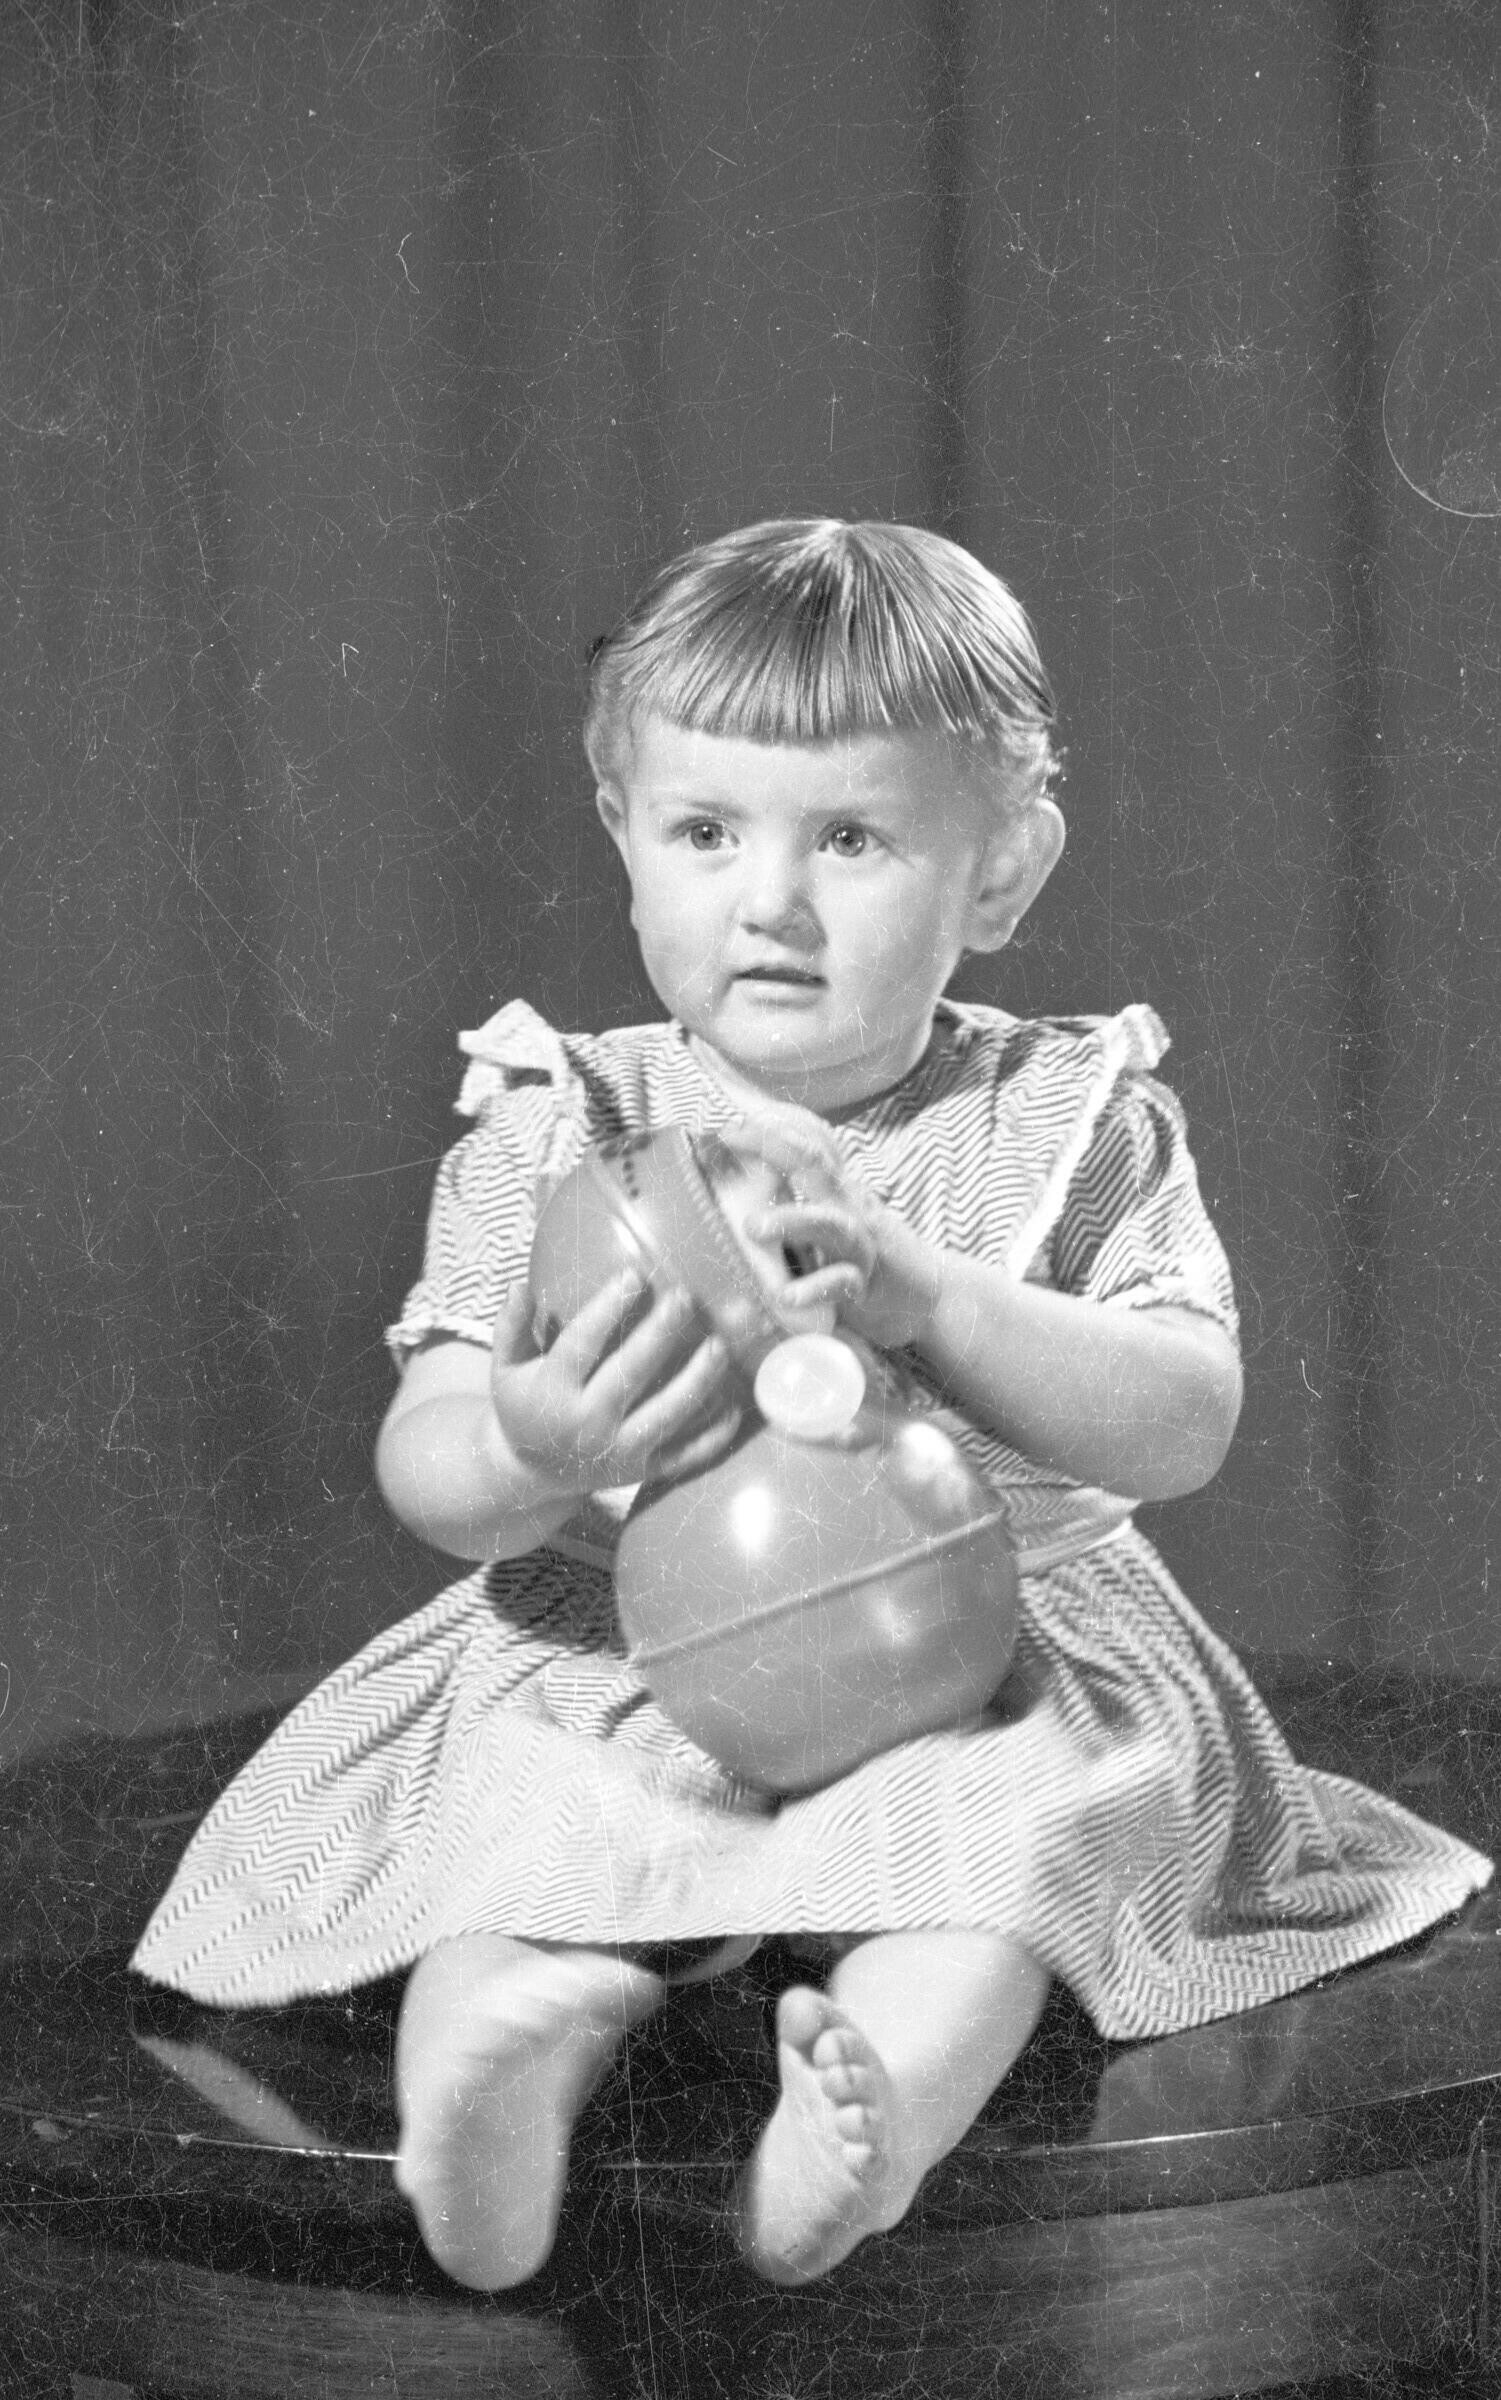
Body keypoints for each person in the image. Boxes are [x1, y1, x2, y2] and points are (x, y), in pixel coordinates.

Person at [133, 518, 1491, 2293]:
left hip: (992, 1668)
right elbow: (436, 1462)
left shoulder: (1073, 1111)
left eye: (849, 837)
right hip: (623, 1653)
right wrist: (540, 1439)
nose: (767, 902)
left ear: (999, 871)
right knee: (523, 1824)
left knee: (1005, 1863)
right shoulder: (564, 1119)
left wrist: (931, 1289)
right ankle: (512, 2058)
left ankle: (864, 2137)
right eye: (706, 833)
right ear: (624, 840)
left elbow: (1181, 1422)